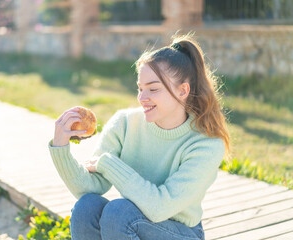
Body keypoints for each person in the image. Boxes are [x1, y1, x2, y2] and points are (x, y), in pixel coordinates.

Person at [49, 33, 230, 240]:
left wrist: (107, 164)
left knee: (120, 213)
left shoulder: (206, 144)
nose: (142, 98)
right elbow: (89, 187)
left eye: (153, 89)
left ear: (183, 91)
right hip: (133, 222)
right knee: (86, 207)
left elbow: (160, 208)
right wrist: (60, 147)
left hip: (180, 232)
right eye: (140, 88)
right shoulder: (125, 124)